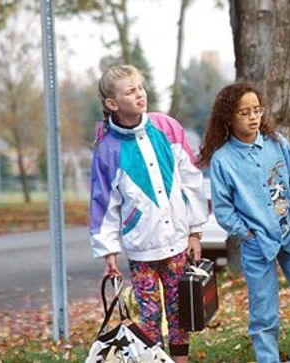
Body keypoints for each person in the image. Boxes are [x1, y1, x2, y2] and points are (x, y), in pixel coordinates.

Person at [197, 83, 290, 363]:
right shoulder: (223, 160)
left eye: (257, 110)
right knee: (263, 316)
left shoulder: (277, 144)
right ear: (228, 117)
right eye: (244, 112)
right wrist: (247, 234)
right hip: (256, 246)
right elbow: (223, 209)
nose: (253, 117)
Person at [89, 65, 207, 363]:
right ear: (112, 103)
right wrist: (108, 251)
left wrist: (195, 231)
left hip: (177, 243)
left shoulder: (167, 128)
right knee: (149, 318)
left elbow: (191, 178)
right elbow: (103, 203)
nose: (140, 94)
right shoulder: (108, 149)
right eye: (130, 91)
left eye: (140, 87)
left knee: (181, 314)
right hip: (141, 250)